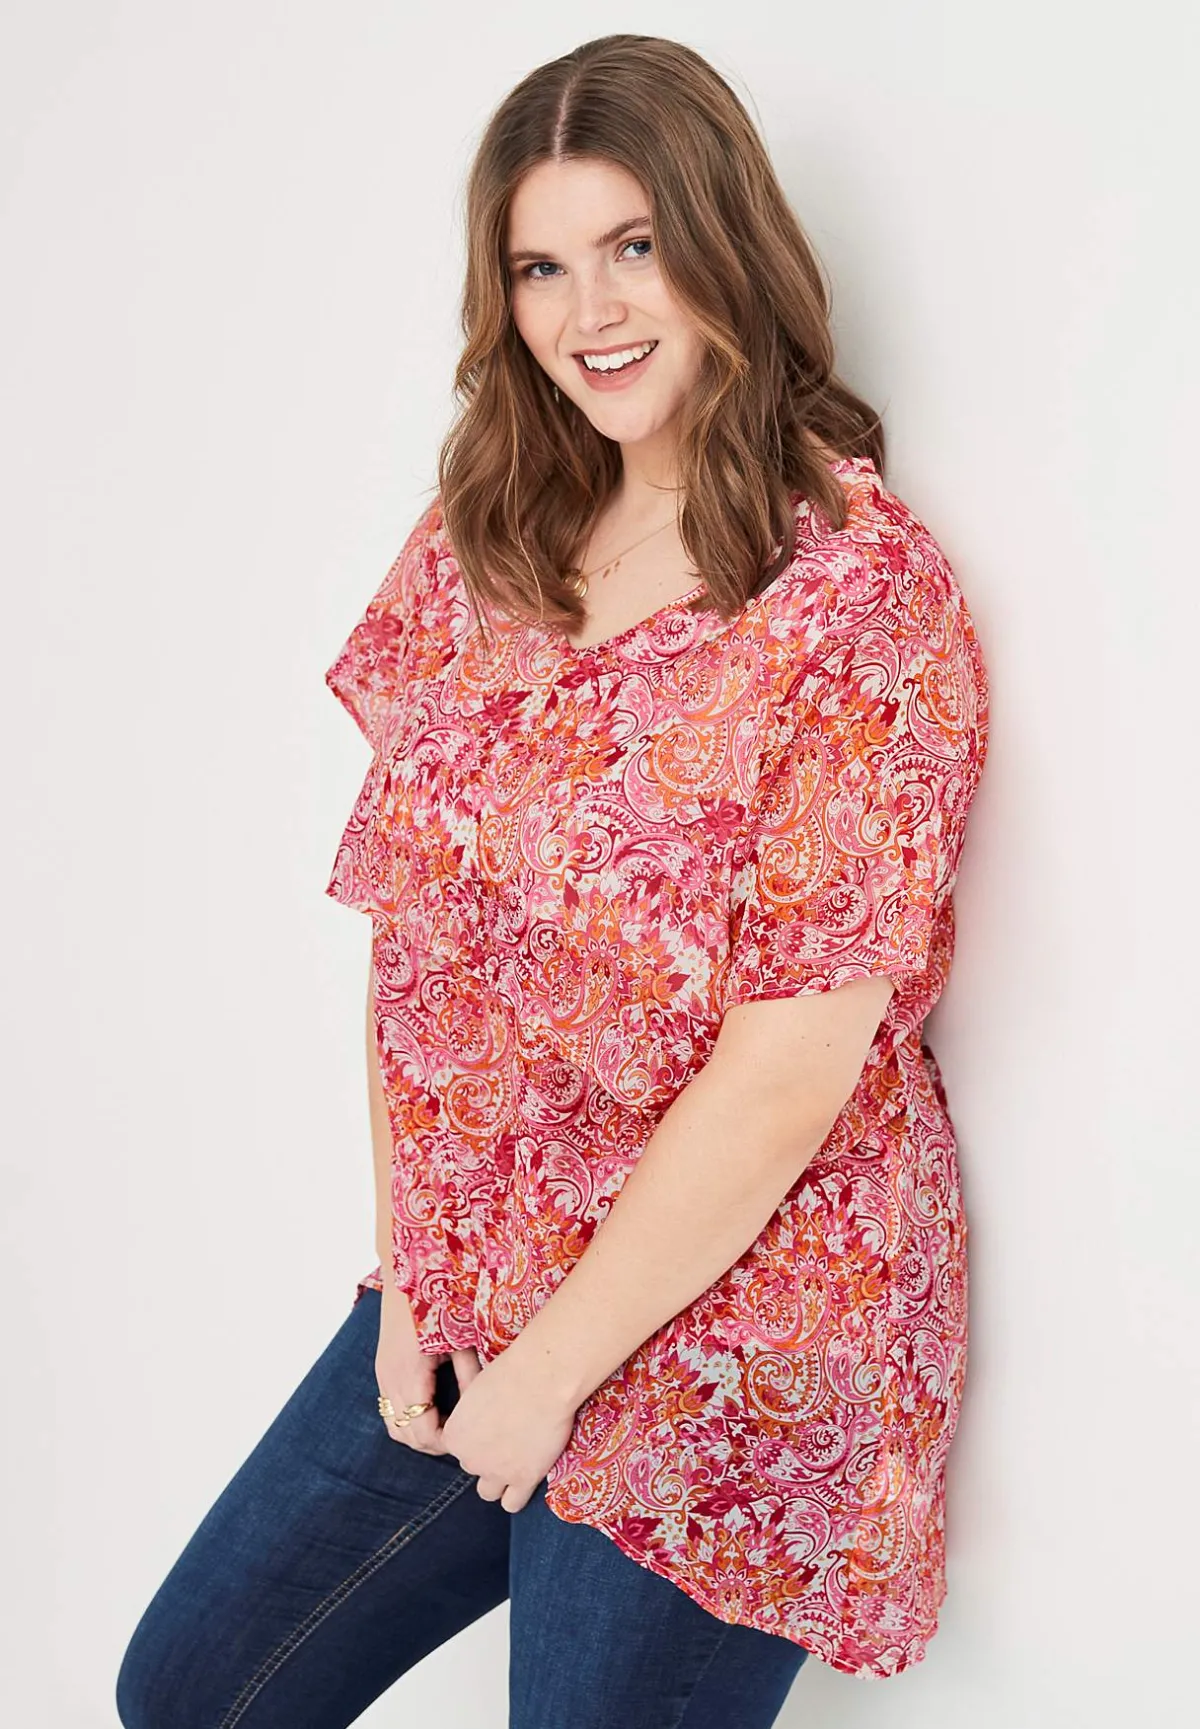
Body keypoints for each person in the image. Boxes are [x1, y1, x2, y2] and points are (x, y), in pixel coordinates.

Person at [115, 31, 990, 1729]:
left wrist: (548, 1382)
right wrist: (410, 1277)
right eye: (540, 266)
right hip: (487, 1266)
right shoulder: (480, 545)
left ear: (725, 241)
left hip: (737, 1324)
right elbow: (415, 950)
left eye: (634, 245)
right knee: (198, 1689)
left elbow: (792, 1071)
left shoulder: (859, 600)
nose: (591, 309)